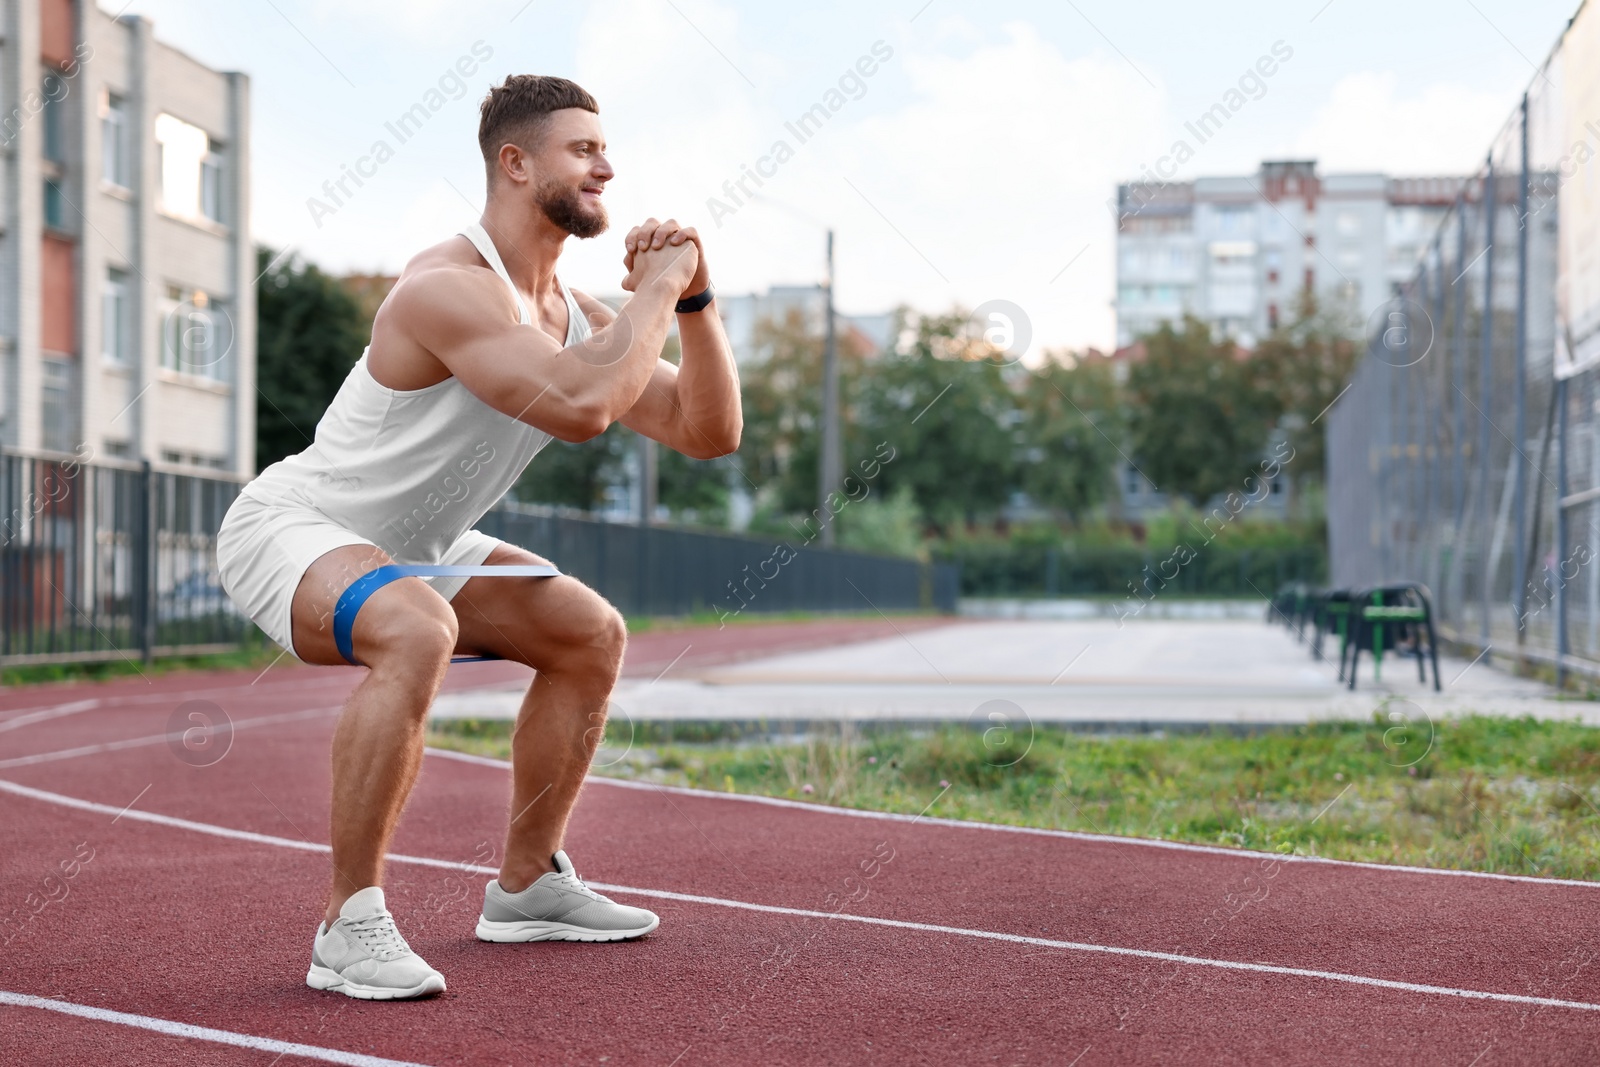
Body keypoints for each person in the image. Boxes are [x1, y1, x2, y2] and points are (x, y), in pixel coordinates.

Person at [216, 74, 740, 1000]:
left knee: (589, 635)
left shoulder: (578, 315)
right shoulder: (445, 288)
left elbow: (708, 432)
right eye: (584, 150)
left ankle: (529, 885)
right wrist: (658, 285)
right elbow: (580, 405)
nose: (607, 167)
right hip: (299, 527)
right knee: (417, 628)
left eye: (605, 151)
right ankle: (347, 923)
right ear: (515, 162)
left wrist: (696, 304)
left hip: (422, 542)